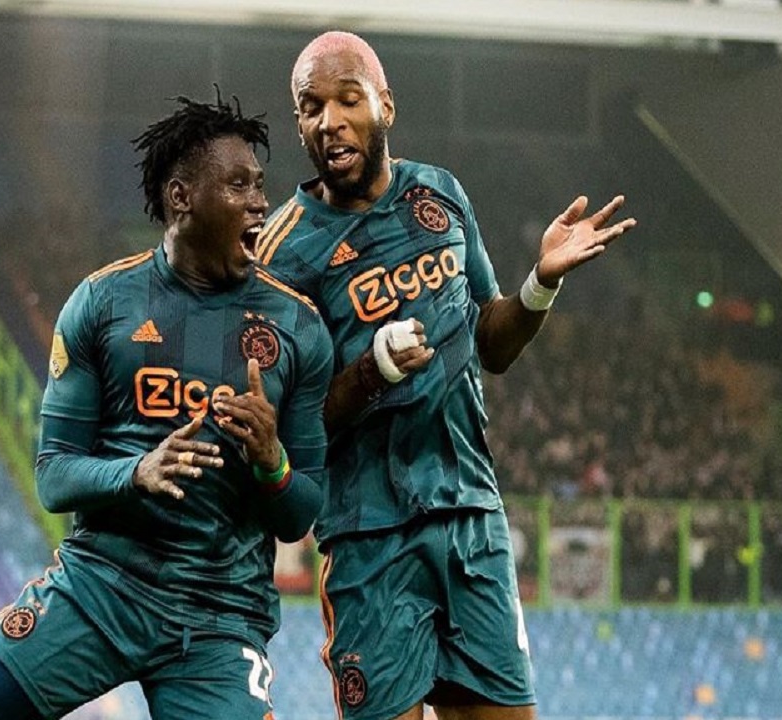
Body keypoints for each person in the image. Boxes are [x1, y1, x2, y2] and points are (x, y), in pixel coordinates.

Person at [0, 92, 333, 720]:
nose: (260, 203)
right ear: (182, 197)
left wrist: (272, 460)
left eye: (259, 185)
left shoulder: (298, 328)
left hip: (218, 618)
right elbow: (54, 476)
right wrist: (136, 472)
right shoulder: (103, 303)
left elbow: (301, 515)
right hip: (100, 589)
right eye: (238, 185)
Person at [257, 31, 637, 720]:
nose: (330, 120)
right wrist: (371, 371)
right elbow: (288, 431)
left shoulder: (440, 194)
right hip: (367, 539)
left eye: (348, 100)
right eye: (312, 107)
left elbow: (492, 341)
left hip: (470, 520)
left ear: (386, 106)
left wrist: (541, 283)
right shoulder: (283, 252)